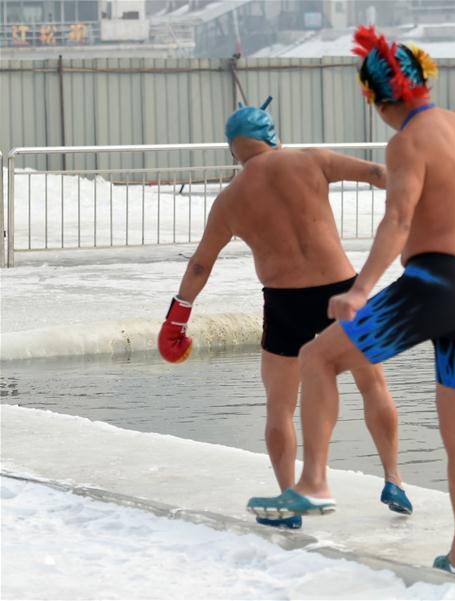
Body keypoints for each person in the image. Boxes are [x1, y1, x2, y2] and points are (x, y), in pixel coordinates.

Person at [246, 26, 455, 578]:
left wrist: (360, 289)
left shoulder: (407, 142)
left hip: (435, 283)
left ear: (381, 100)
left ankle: (316, 480)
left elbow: (398, 218)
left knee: (319, 356)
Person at [157, 97, 413, 529]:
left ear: (233, 149)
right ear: (271, 136)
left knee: (279, 407)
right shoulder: (311, 161)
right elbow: (378, 175)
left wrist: (177, 318)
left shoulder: (229, 200)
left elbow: (201, 263)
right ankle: (394, 479)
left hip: (283, 303)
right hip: (340, 292)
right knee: (372, 384)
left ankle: (288, 498)